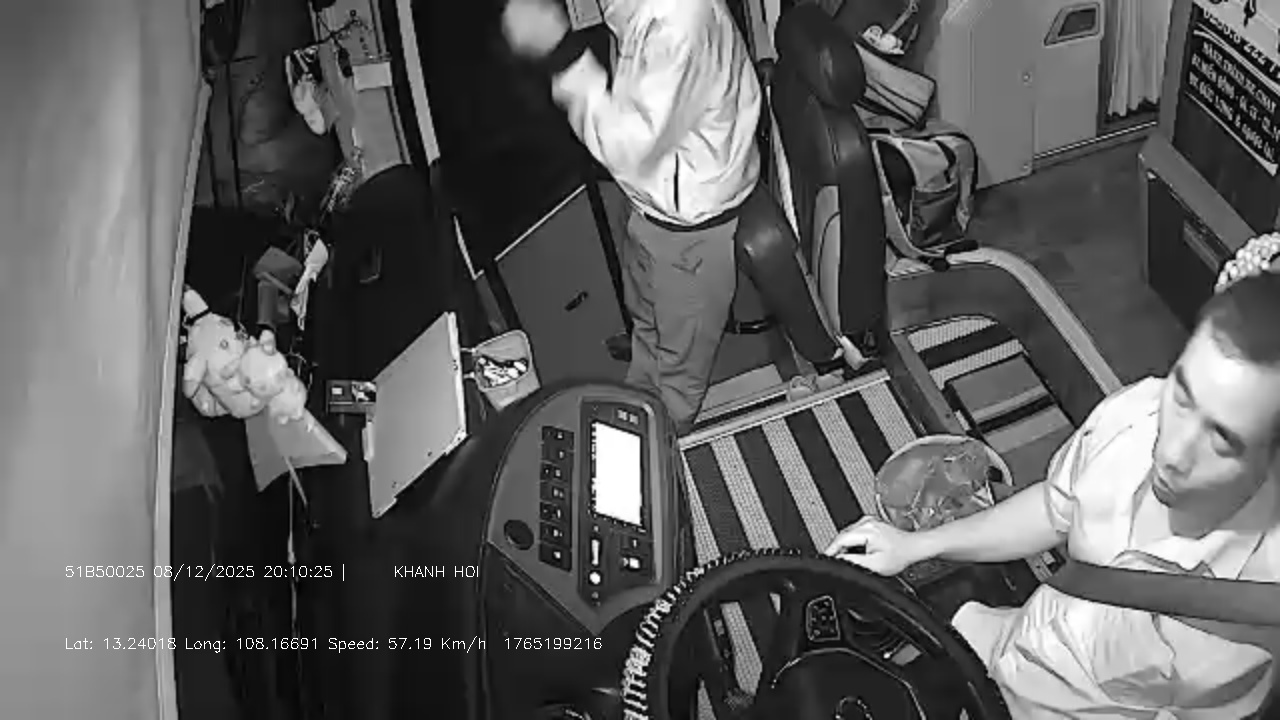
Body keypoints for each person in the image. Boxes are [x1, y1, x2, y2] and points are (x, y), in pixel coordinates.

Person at [827, 266, 1280, 718]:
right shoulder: (1133, 416)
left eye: (1223, 440)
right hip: (1017, 641)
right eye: (1182, 394)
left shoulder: (1248, 621)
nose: (1172, 452)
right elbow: (1054, 507)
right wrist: (914, 546)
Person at [502, 0, 761, 434]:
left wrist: (560, 52)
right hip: (655, 193)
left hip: (690, 218)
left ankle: (667, 436)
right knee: (645, 311)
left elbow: (632, 150)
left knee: (681, 367)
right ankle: (643, 383)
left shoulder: (677, 18)